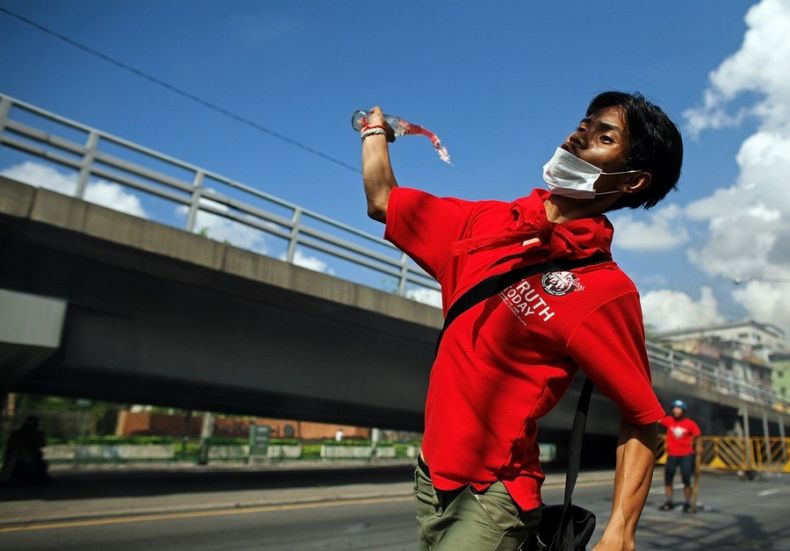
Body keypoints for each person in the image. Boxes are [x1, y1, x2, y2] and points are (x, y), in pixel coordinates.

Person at [360, 91, 683, 551]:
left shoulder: (604, 289)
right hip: (430, 478)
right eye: (584, 125)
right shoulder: (487, 223)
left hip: (492, 496)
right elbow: (383, 201)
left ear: (633, 181)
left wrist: (621, 532)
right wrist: (374, 130)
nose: (579, 136)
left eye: (603, 136)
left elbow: (642, 418)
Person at [658, 399, 701, 513]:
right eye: (674, 408)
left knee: (686, 479)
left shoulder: (690, 424)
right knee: (668, 479)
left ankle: (687, 502)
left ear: (683, 411)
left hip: (686, 455)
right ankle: (669, 501)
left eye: (678, 408)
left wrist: (698, 449)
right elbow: (656, 419)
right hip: (672, 454)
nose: (676, 410)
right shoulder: (668, 420)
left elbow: (697, 436)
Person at [1, 415, 49, 484]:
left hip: (31, 455)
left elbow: (42, 443)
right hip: (19, 457)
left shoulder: (37, 433)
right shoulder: (18, 434)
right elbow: (12, 445)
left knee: (39, 465)